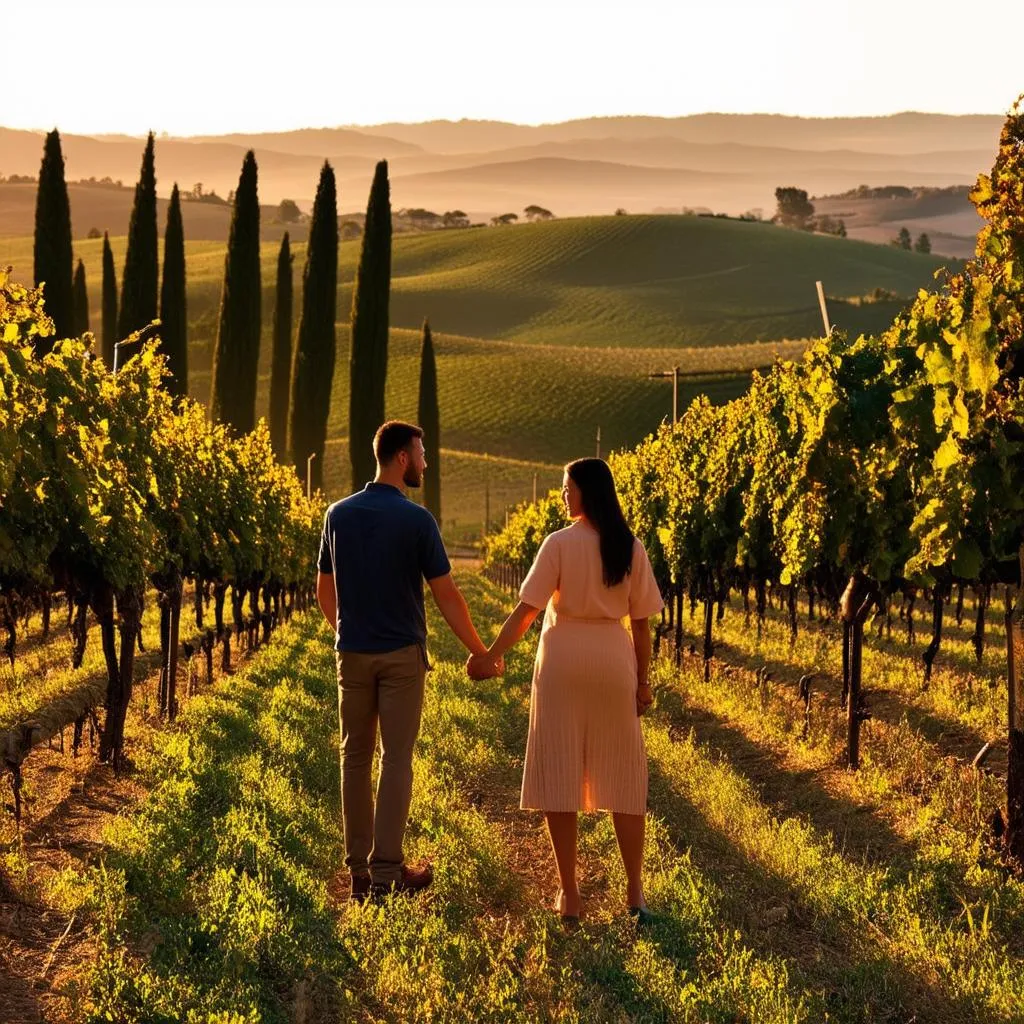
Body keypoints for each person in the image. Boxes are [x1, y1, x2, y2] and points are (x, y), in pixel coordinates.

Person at [470, 458, 663, 922]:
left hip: (561, 660)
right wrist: (643, 680)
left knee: (560, 774)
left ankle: (570, 893)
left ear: (587, 493)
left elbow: (526, 613)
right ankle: (634, 892)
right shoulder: (629, 546)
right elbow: (641, 625)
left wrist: (491, 654)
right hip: (612, 660)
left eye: (567, 487)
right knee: (623, 774)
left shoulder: (558, 544)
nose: (562, 495)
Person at [317, 420, 502, 903]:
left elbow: (323, 590)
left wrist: (345, 630)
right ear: (401, 457)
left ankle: (358, 872)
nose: (426, 461)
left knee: (353, 758)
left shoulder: (337, 514)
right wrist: (479, 651)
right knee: (395, 758)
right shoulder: (417, 521)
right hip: (400, 657)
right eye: (421, 453)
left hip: (352, 655)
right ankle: (386, 872)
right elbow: (447, 596)